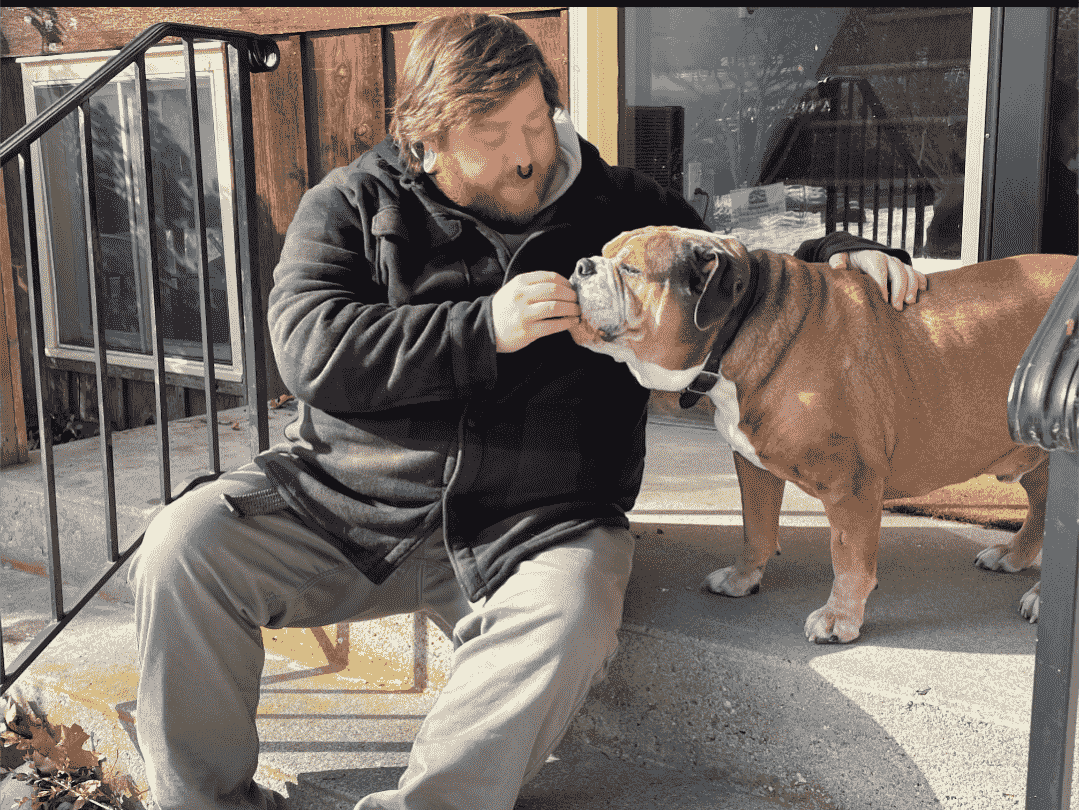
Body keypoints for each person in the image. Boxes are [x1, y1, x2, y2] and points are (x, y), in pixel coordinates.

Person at [127, 12, 925, 810]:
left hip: (541, 521)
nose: (526, 154)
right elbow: (311, 348)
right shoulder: (350, 204)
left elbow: (732, 250)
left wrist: (834, 254)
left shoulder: (617, 204)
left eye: (536, 123)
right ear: (426, 138)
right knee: (182, 548)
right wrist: (482, 328)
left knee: (571, 610)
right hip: (348, 506)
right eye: (493, 133)